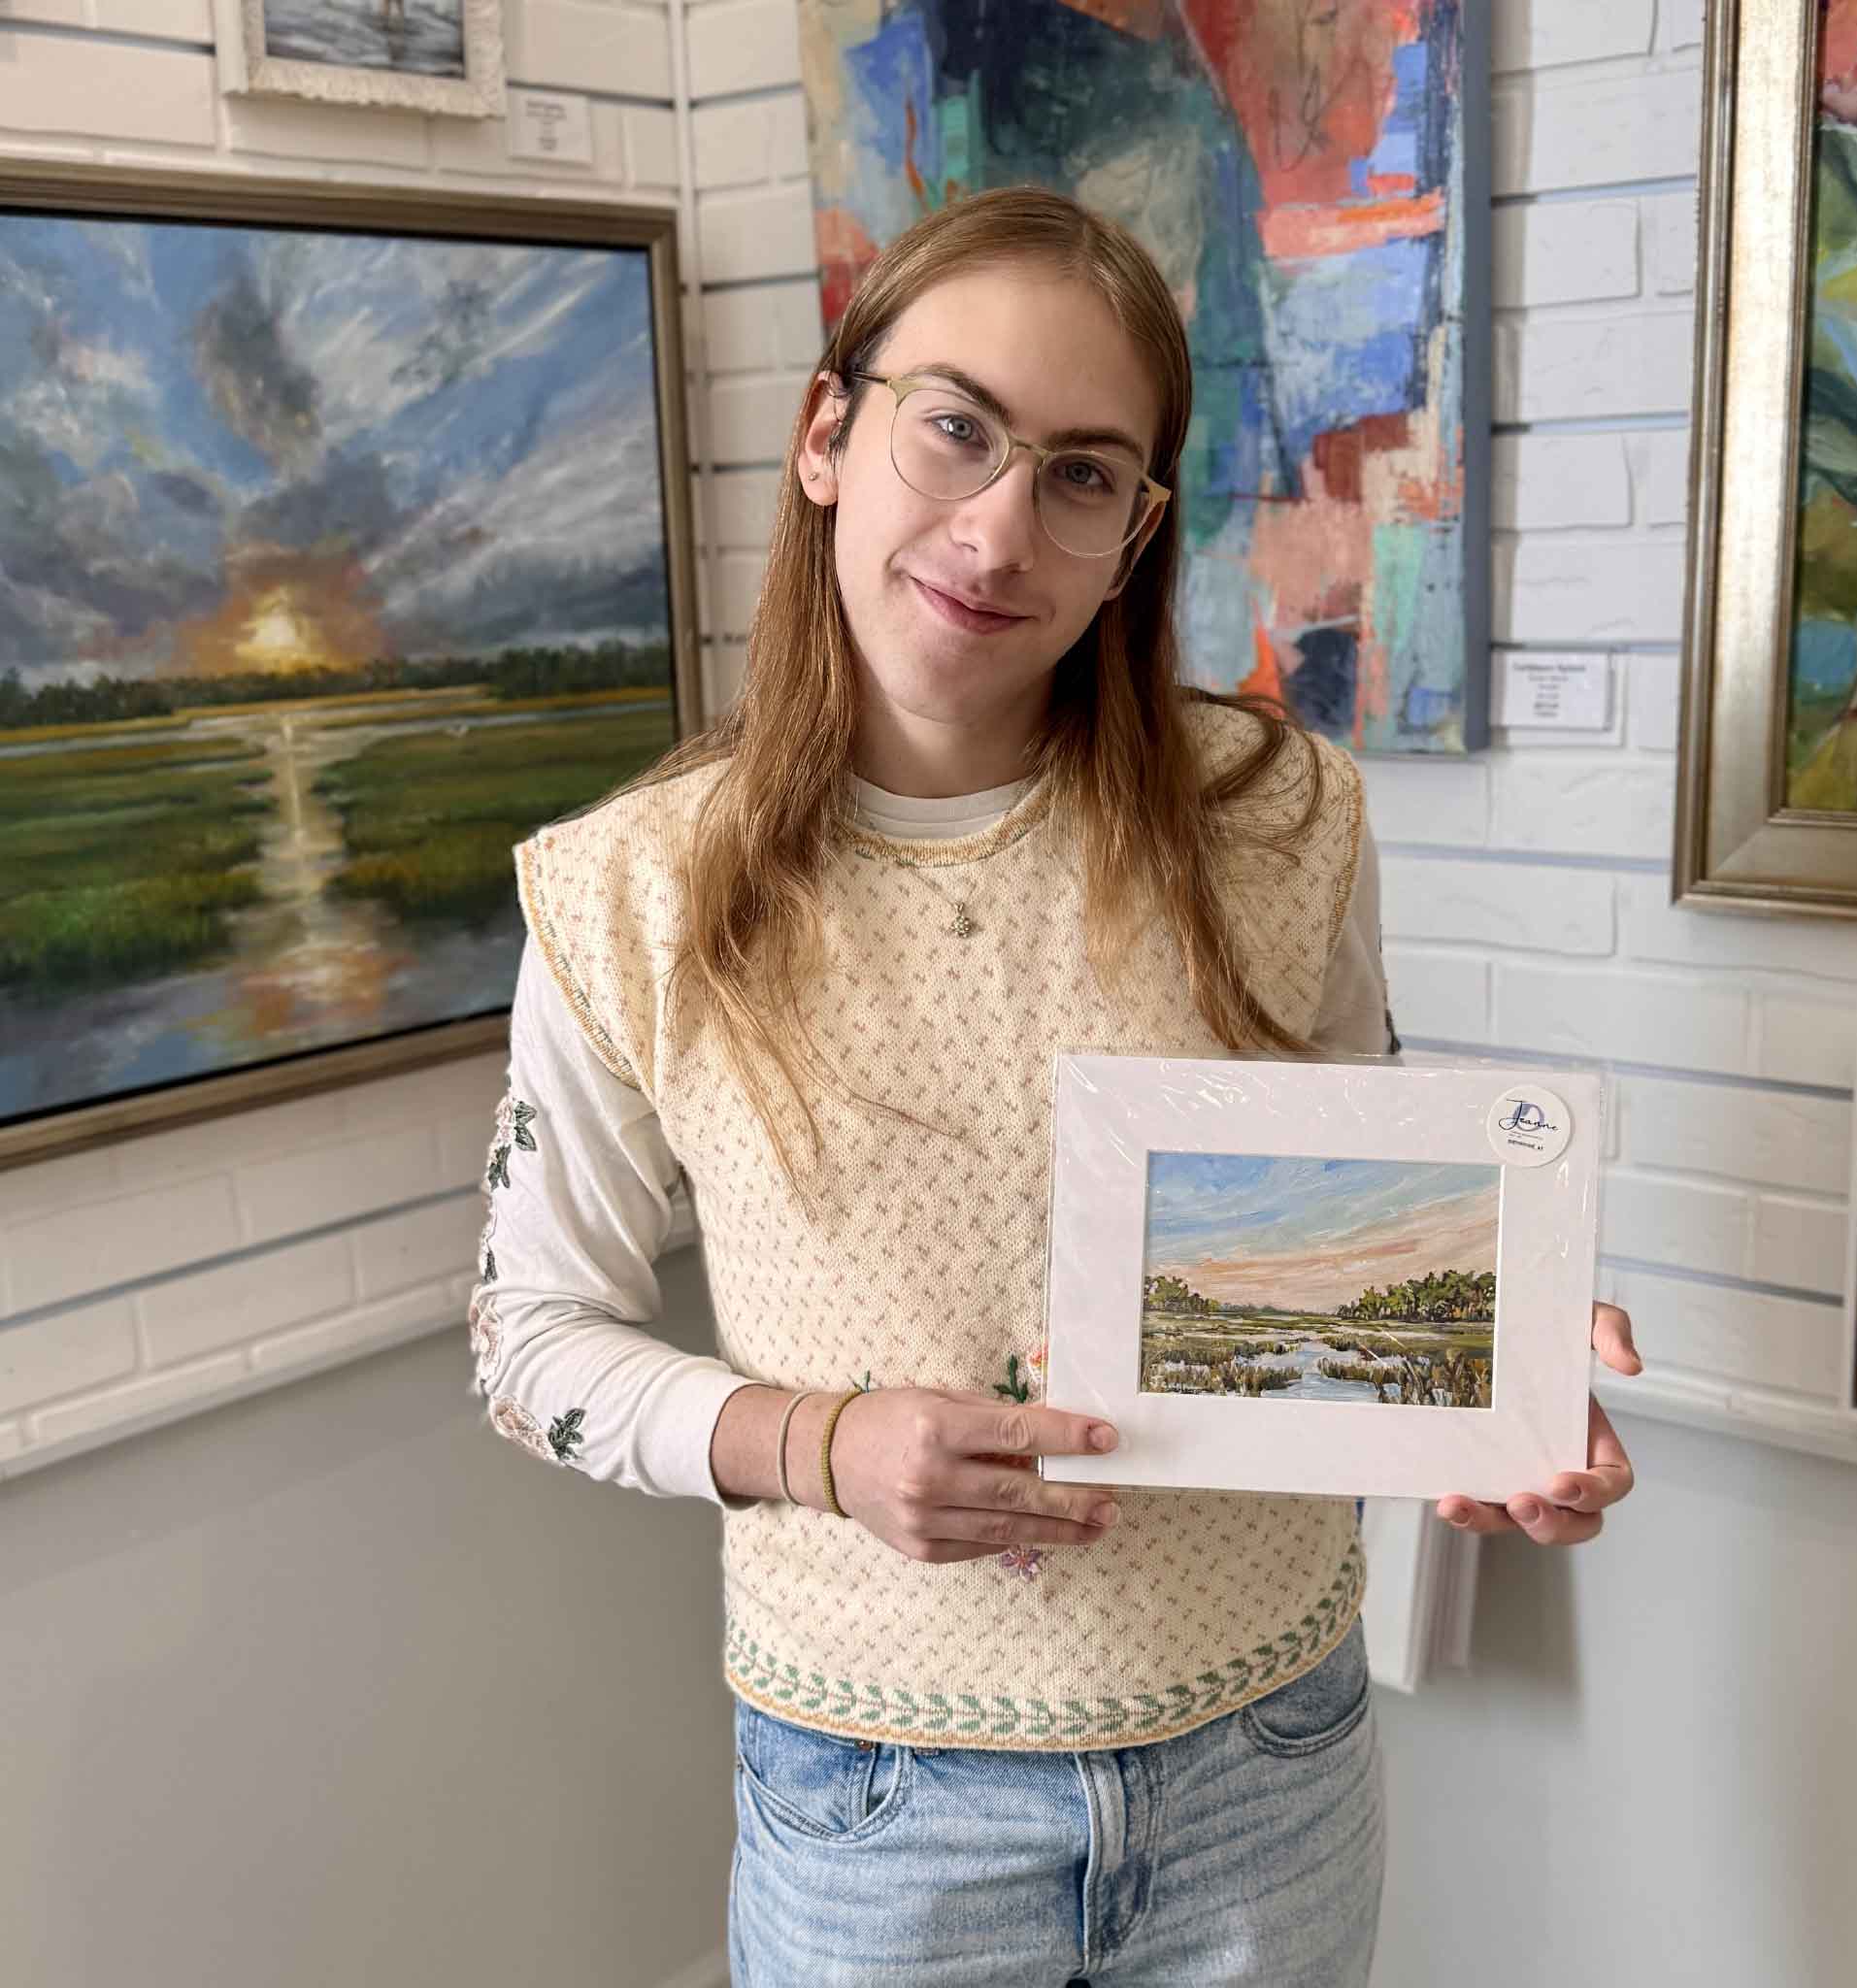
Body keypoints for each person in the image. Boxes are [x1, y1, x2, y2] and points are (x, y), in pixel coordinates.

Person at [468, 185, 1641, 1986]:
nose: (1000, 528)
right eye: (957, 428)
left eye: (1085, 474)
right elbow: (529, 1342)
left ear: (1136, 535)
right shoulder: (630, 894)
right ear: (827, 435)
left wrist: (1490, 1377)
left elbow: (1347, 1239)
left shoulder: (1281, 819)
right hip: (875, 1801)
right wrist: (819, 1444)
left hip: (1268, 1757)